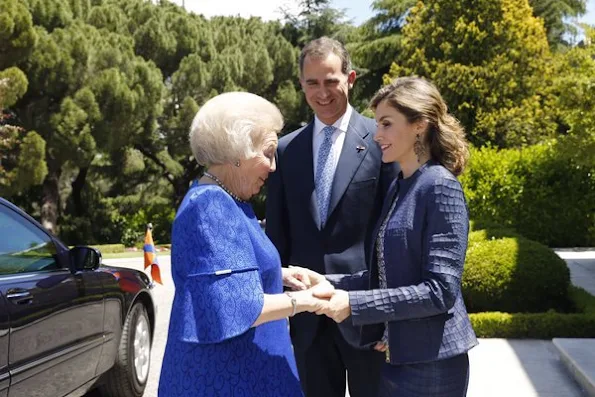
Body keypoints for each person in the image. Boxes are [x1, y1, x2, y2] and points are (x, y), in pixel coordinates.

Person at [308, 76, 479, 396]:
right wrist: (325, 283)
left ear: (419, 125)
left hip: (433, 366)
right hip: (396, 359)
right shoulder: (400, 186)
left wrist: (353, 304)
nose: (377, 135)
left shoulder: (440, 186)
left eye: (386, 124)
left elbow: (440, 291)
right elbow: (385, 276)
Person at [158, 92, 332, 397]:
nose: (274, 166)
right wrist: (308, 301)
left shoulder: (232, 201)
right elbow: (237, 306)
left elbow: (222, 276)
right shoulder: (211, 205)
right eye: (268, 153)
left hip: (245, 372)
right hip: (227, 378)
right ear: (238, 153)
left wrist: (279, 275)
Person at [265, 37, 399, 397]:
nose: (322, 93)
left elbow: (394, 234)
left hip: (365, 315)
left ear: (350, 79)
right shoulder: (285, 150)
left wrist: (389, 316)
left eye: (331, 81)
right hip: (306, 321)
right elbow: (278, 236)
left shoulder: (383, 140)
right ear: (302, 85)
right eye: (312, 83)